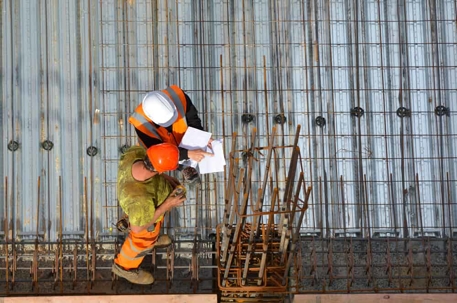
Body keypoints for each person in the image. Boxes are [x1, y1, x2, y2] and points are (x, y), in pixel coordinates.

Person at [112, 143, 186, 284]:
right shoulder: (140, 200)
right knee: (141, 243)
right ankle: (124, 268)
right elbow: (137, 228)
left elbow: (153, 166)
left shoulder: (135, 154)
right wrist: (167, 205)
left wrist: (167, 179)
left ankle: (153, 239)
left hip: (140, 210)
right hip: (143, 224)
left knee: (150, 229)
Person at [129, 85, 213, 183]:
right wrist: (187, 154)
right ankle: (183, 167)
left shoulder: (179, 96)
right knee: (169, 162)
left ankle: (187, 163)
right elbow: (160, 154)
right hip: (165, 148)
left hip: (185, 137)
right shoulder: (140, 123)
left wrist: (201, 136)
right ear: (151, 118)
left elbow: (193, 120)